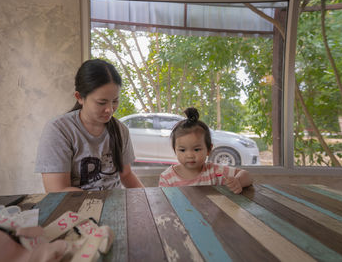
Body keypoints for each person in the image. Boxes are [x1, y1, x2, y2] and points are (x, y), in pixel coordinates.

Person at [35, 59, 144, 192]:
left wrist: (148, 200)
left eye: (115, 101)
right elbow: (57, 189)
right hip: (73, 208)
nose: (110, 109)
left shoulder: (120, 130)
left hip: (115, 206)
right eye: (101, 102)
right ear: (79, 97)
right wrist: (100, 205)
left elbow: (126, 175)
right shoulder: (59, 130)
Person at [158, 107, 252, 194]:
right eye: (182, 150)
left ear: (208, 149)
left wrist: (238, 181)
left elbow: (247, 175)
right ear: (175, 150)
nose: (190, 155)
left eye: (196, 149)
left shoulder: (215, 171)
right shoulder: (167, 178)